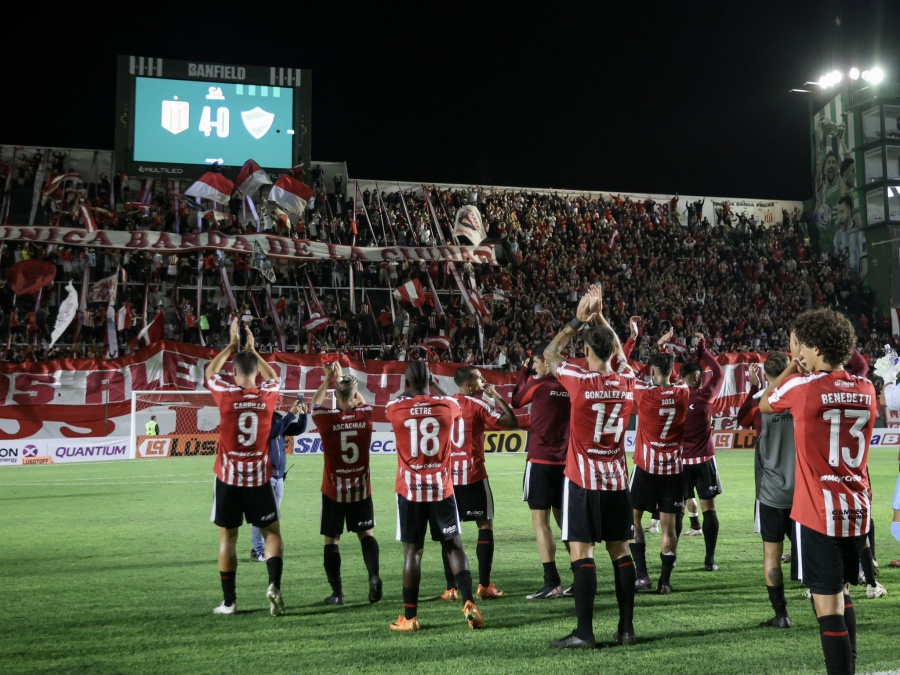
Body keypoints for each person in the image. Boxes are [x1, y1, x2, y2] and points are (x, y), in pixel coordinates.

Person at [759, 308, 877, 675]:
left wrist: (793, 366)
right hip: (857, 509)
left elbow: (765, 403)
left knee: (827, 609)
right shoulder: (867, 388)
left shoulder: (802, 387)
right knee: (841, 592)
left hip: (818, 513)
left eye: (802, 345)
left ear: (813, 347)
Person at [543, 285, 637, 648]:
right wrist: (600, 319)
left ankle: (584, 632)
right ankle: (626, 629)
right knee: (621, 551)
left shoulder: (580, 382)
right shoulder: (628, 382)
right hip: (616, 481)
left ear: (585, 351)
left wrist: (576, 321)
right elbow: (615, 348)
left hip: (582, 481)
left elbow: (550, 355)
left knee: (583, 553)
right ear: (614, 351)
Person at [385, 360, 485, 631]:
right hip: (442, 489)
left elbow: (398, 402)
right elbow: (444, 399)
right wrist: (430, 389)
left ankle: (410, 617)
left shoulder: (394, 408)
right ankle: (468, 603)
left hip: (410, 491)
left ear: (405, 384)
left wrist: (413, 392)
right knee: (454, 547)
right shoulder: (448, 406)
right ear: (430, 381)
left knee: (413, 552)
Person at [205, 317, 284, 616]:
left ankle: (229, 602)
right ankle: (274, 584)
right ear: (256, 374)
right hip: (259, 479)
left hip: (228, 477)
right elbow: (275, 377)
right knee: (272, 534)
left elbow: (210, 371)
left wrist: (230, 344)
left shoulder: (225, 394)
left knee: (228, 539)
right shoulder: (268, 394)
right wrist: (253, 349)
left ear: (235, 373)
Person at [439, 365, 517, 602]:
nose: (484, 382)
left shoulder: (444, 404)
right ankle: (484, 585)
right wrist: (497, 398)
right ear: (468, 385)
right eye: (480, 379)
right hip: (472, 475)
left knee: (450, 532)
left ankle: (451, 588)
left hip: (448, 477)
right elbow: (511, 421)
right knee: (485, 526)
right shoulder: (480, 404)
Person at [309, 362, 382, 605]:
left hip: (333, 492)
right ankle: (373, 578)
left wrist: (329, 379)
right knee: (366, 535)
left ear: (336, 397)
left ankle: (338, 594)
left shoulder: (327, 419)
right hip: (361, 490)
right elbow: (359, 401)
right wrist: (344, 380)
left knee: (332, 541)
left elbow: (314, 405)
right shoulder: (365, 415)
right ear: (353, 394)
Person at [736, 352, 796, 628]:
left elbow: (742, 419)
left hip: (771, 493)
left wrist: (754, 385)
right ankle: (826, 605)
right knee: (813, 550)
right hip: (803, 492)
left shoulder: (761, 405)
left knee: (772, 555)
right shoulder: (801, 397)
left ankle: (781, 615)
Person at [512, 344, 573, 599]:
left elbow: (516, 400)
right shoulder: (572, 385)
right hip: (566, 464)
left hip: (539, 461)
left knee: (541, 524)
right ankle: (581, 577)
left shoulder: (539, 385)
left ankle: (552, 583)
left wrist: (524, 372)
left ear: (547, 363)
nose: (534, 368)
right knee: (566, 525)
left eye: (535, 364)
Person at [629, 348, 689, 596]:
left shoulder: (644, 393)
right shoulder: (683, 392)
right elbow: (675, 379)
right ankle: (665, 581)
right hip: (673, 470)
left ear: (654, 370)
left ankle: (642, 576)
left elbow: (626, 368)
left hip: (646, 468)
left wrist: (636, 341)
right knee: (669, 526)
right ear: (673, 369)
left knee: (633, 521)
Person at [680, 332, 725, 573]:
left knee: (675, 509)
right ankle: (709, 559)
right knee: (710, 510)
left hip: (681, 462)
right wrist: (704, 352)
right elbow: (718, 372)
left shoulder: (675, 397)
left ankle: (671, 557)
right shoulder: (705, 396)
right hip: (705, 461)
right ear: (695, 378)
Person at [250, 398, 308, 563]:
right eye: (274, 400)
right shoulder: (261, 418)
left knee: (272, 516)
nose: (276, 403)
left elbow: (298, 429)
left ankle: (264, 547)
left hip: (278, 476)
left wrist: (303, 414)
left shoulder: (276, 418)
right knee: (262, 515)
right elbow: (274, 432)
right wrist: (291, 414)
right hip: (265, 475)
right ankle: (257, 550)